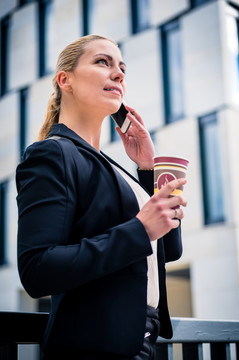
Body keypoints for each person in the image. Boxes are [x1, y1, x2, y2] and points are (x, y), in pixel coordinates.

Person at [16, 34, 187, 360]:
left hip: (144, 343)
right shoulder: (50, 155)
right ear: (65, 80)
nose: (119, 73)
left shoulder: (119, 170)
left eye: (121, 67)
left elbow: (166, 252)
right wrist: (141, 229)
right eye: (102, 62)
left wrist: (149, 170)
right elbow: (37, 270)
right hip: (94, 348)